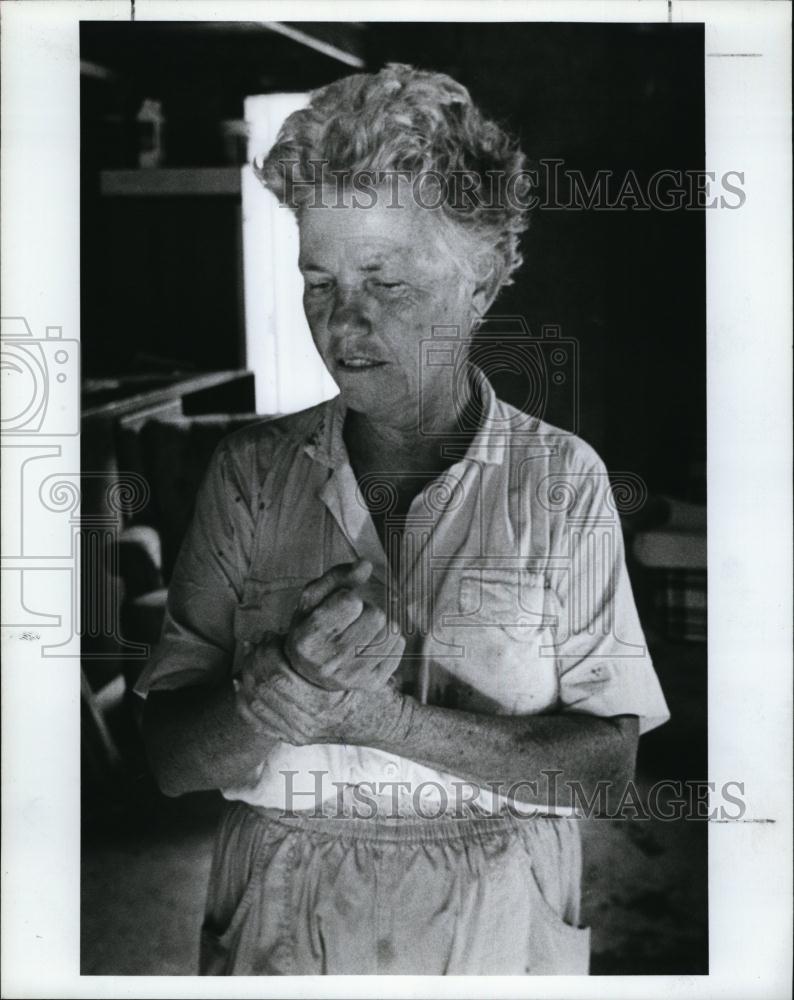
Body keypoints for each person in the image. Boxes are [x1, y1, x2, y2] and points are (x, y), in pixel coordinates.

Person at [137, 63, 670, 976]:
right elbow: (170, 758)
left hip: (494, 918)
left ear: (486, 278)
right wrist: (280, 691)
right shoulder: (252, 476)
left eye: (384, 281)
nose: (342, 326)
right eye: (318, 283)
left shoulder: (561, 482)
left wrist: (382, 721)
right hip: (281, 912)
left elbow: (607, 772)